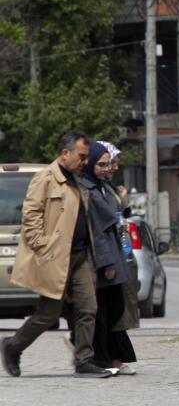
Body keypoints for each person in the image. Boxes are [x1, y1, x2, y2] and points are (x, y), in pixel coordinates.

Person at [1, 131, 112, 378]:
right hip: (56, 258)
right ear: (65, 154)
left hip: (81, 255)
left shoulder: (78, 179)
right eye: (81, 156)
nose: (85, 161)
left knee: (88, 308)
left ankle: (84, 360)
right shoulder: (46, 179)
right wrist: (44, 247)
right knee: (48, 314)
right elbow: (31, 217)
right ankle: (12, 346)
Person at [80, 142, 137, 376]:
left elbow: (117, 216)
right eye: (102, 164)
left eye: (110, 163)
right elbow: (98, 230)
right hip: (103, 259)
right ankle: (99, 359)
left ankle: (110, 359)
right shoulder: (89, 190)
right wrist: (107, 263)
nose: (108, 168)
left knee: (115, 308)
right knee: (104, 311)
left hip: (116, 253)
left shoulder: (103, 187)